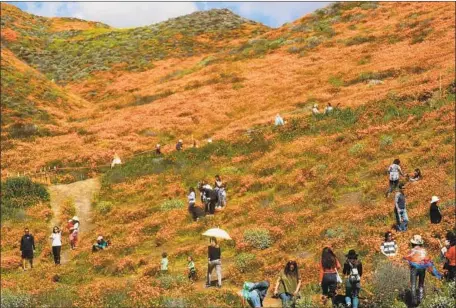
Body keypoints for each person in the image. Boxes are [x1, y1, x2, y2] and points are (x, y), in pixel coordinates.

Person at [403, 235, 442, 306]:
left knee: (413, 285)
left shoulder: (411, 250)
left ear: (413, 243)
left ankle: (413, 302)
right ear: (420, 243)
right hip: (422, 268)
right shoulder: (424, 251)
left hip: (414, 268)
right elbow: (427, 260)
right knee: (421, 284)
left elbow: (405, 258)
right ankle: (420, 300)